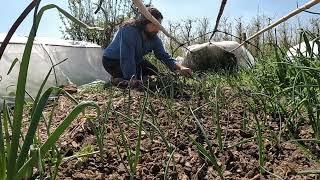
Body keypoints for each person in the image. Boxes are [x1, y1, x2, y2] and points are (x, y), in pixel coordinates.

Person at [102, 6, 192, 86]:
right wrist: (132, 78)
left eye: (159, 25)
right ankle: (116, 80)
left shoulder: (154, 39)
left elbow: (163, 55)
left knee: (154, 73)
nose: (158, 29)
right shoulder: (129, 30)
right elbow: (127, 57)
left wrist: (180, 67)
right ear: (144, 22)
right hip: (112, 61)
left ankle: (127, 79)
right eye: (155, 24)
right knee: (136, 81)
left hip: (136, 60)